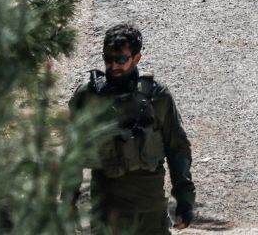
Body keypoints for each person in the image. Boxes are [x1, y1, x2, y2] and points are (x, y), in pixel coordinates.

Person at [69, 24, 195, 233]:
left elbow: (178, 148)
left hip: (149, 210)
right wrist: (68, 204)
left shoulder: (157, 96)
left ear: (137, 58)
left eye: (121, 60)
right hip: (106, 209)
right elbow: (71, 155)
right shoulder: (89, 97)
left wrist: (185, 199)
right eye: (108, 59)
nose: (113, 66)